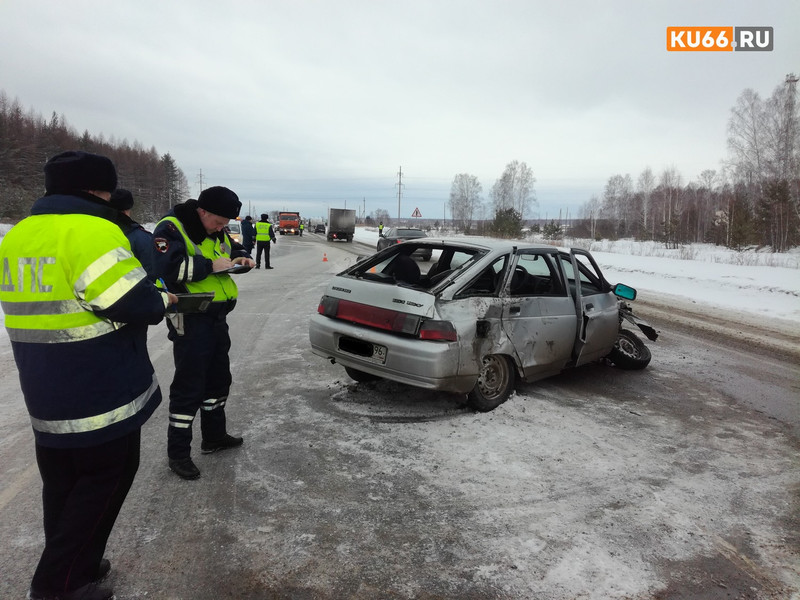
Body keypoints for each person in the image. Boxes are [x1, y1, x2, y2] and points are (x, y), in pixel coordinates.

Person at [0, 150, 177, 600]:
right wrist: (162, 302)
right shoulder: (94, 230)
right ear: (99, 189)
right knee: (103, 483)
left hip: (43, 387)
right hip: (99, 388)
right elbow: (133, 302)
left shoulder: (20, 234)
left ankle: (78, 561)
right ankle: (58, 585)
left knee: (62, 486)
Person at [152, 187, 256, 480]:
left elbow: (229, 250)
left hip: (216, 317)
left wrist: (242, 257)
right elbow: (164, 269)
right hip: (190, 317)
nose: (222, 228)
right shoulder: (171, 228)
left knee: (219, 379)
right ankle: (178, 454)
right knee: (189, 386)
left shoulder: (216, 230)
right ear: (203, 211)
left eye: (226, 224)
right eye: (219, 222)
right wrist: (210, 266)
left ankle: (214, 436)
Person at [110, 188, 157, 281]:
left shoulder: (99, 233)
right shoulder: (141, 237)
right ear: (127, 210)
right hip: (137, 292)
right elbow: (152, 272)